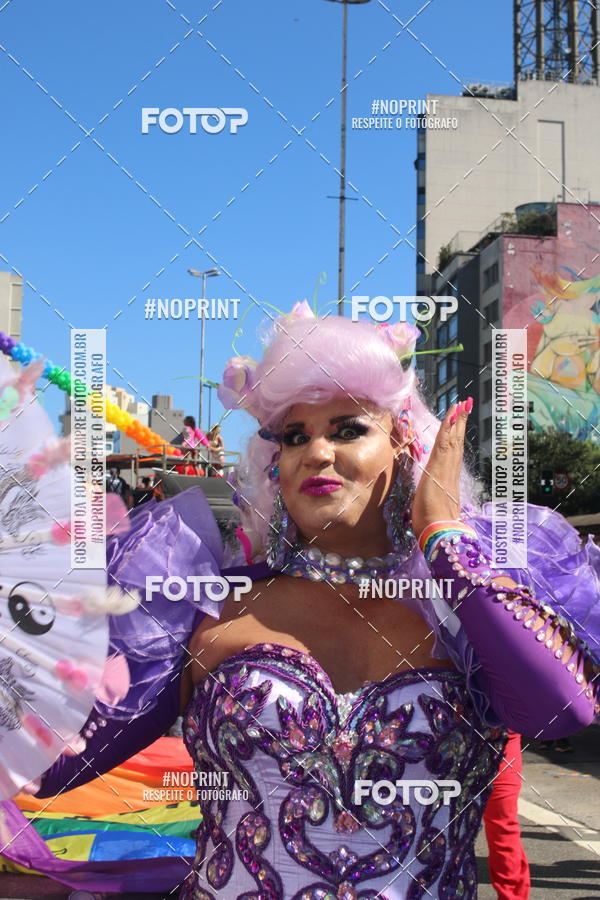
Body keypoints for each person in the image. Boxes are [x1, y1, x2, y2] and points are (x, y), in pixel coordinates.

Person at [22, 304, 600, 898]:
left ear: (405, 447)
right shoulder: (210, 605)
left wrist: (442, 536)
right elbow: (50, 767)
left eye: (348, 429)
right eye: (295, 436)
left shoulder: (461, 605)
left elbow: (561, 712)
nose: (316, 452)